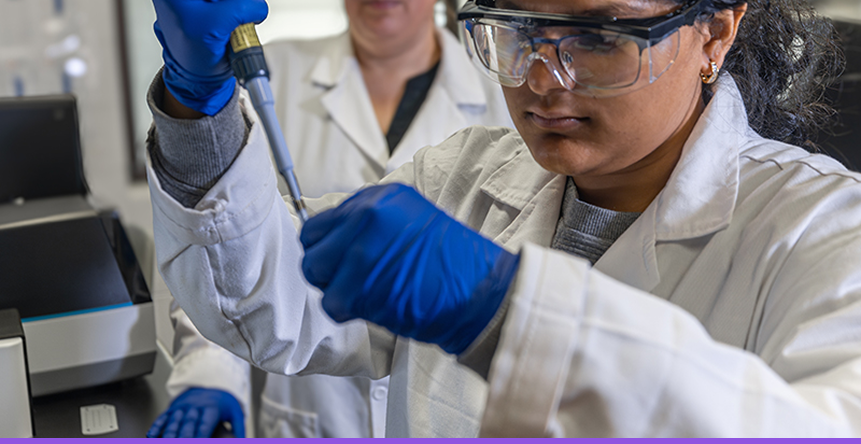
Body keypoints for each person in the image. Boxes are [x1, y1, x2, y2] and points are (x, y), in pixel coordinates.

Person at [145, 0, 861, 437]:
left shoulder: (824, 230)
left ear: (714, 34)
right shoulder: (454, 177)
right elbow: (265, 303)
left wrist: (510, 316)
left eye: (598, 39)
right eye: (515, 34)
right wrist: (195, 108)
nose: (543, 80)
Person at [145, 0, 512, 438]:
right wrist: (209, 370)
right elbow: (230, 237)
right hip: (306, 409)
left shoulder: (508, 98)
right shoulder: (266, 70)